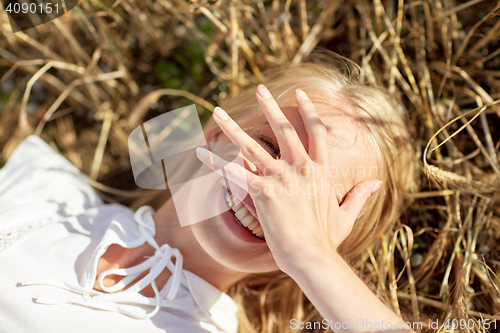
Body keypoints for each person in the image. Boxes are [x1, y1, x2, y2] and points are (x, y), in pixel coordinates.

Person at [0, 54, 415, 333]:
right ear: (218, 135)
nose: (271, 190)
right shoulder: (44, 189)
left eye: (315, 197)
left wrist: (311, 256)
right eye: (268, 148)